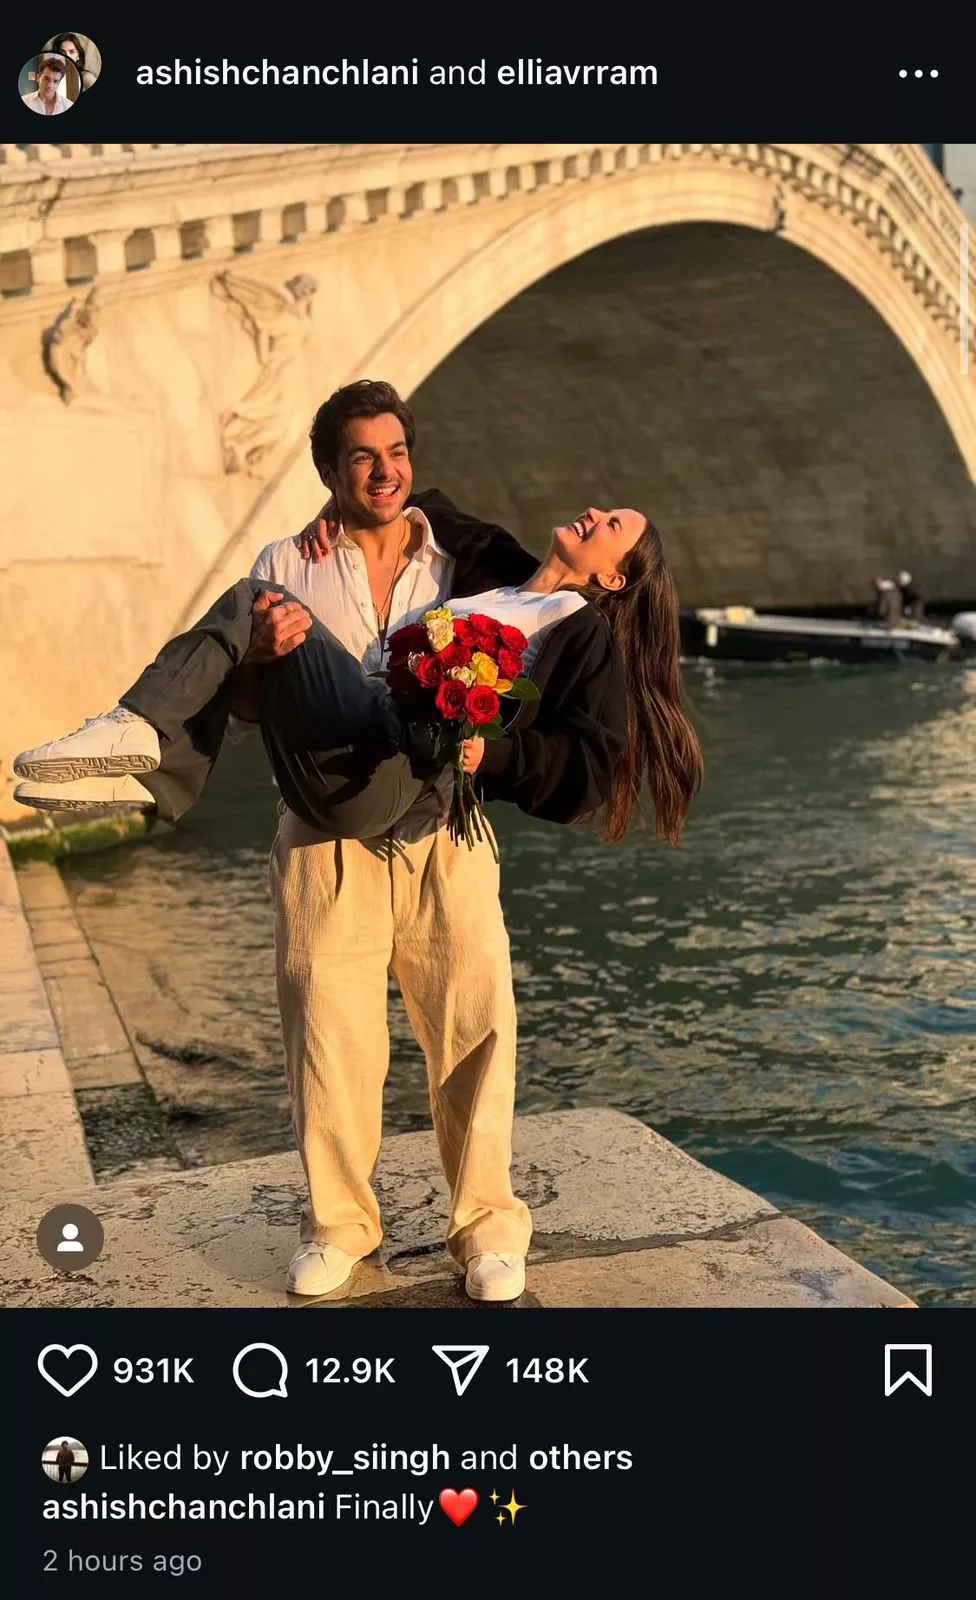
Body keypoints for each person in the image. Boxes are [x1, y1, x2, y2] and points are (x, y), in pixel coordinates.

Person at [14, 382, 702, 1304]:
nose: (386, 473)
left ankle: (487, 1232)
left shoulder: (522, 599)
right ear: (331, 472)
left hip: (442, 828)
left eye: (397, 455)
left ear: (613, 577)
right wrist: (274, 639)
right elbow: (261, 708)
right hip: (326, 826)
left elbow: (586, 769)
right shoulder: (375, 563)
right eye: (363, 459)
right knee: (328, 1041)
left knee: (473, 1032)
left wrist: (489, 749)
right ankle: (339, 1229)